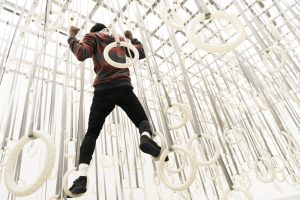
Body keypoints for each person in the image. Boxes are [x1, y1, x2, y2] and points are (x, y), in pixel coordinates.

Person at [66, 23, 167, 196]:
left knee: (92, 133)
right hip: (123, 86)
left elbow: (81, 54)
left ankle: (82, 176)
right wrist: (131, 37)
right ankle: (145, 138)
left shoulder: (93, 37)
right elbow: (140, 53)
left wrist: (71, 37)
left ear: (94, 31)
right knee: (142, 120)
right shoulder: (119, 39)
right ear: (105, 29)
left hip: (103, 90)